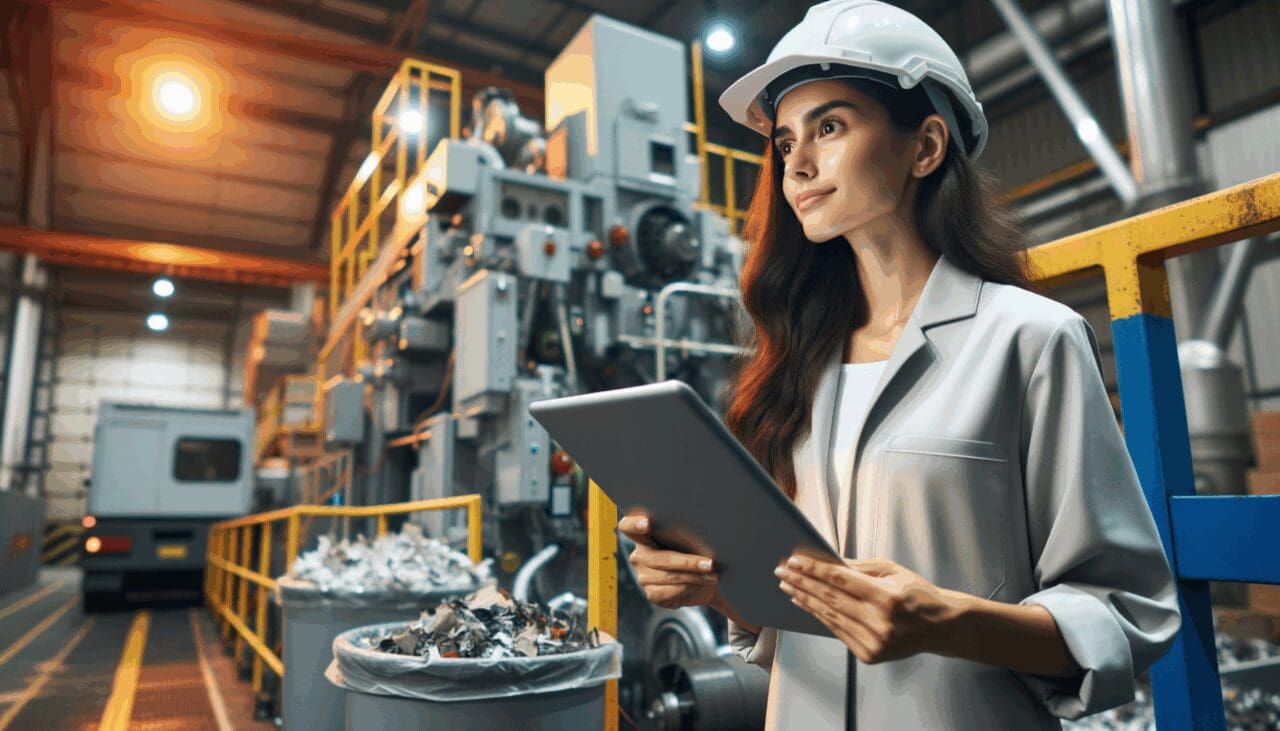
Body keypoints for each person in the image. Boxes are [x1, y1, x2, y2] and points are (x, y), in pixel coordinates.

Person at [617, 2, 1181, 729]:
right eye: (785, 141)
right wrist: (716, 588)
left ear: (925, 147)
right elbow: (794, 608)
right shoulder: (799, 365)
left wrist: (947, 621)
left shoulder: (1030, 340)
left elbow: (1127, 615)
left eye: (830, 126)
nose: (797, 162)